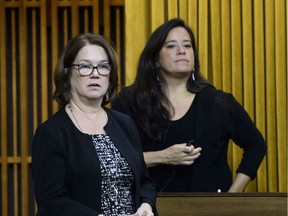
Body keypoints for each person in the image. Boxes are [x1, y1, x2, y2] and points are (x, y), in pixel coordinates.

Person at [112, 18, 267, 193]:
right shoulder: (128, 102)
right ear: (155, 59)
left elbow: (257, 145)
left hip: (209, 209)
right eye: (171, 46)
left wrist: (232, 196)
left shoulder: (218, 102)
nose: (181, 51)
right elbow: (113, 160)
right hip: (147, 207)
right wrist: (163, 157)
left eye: (187, 45)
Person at [32, 33, 157, 216]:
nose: (95, 74)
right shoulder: (51, 133)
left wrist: (146, 205)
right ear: (67, 74)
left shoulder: (125, 124)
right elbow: (51, 201)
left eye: (103, 66)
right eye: (85, 66)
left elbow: (145, 181)